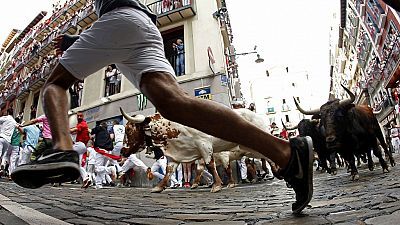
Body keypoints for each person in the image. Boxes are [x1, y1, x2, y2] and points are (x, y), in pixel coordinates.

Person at [11, 0, 314, 214]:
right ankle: (286, 153)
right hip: (144, 26)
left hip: (120, 20)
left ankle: (62, 148)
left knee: (55, 84)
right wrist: (80, 38)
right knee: (174, 104)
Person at [0, 109, 17, 177]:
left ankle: (1, 167)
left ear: (7, 112)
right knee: (3, 155)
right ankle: (2, 164)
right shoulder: (14, 121)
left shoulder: (5, 118)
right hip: (8, 141)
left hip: (1, 137)